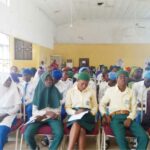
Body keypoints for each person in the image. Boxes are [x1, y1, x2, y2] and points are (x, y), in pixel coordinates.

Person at [100, 70, 149, 150]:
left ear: (128, 80)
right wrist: (105, 115)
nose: (123, 79)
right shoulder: (110, 91)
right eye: (120, 77)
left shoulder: (131, 92)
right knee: (120, 139)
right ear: (117, 79)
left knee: (144, 137)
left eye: (125, 77)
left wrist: (129, 118)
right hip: (115, 118)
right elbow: (102, 104)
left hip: (128, 117)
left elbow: (134, 108)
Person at [24, 72, 63, 150]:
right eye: (46, 80)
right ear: (42, 81)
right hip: (39, 117)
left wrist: (56, 114)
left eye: (50, 79)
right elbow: (34, 111)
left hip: (53, 117)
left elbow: (59, 108)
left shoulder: (56, 91)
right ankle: (35, 147)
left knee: (59, 134)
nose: (49, 81)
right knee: (27, 134)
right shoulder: (37, 92)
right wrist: (46, 113)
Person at [65, 72, 98, 150]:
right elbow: (67, 107)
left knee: (77, 123)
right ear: (78, 80)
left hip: (87, 115)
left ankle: (70, 148)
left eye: (86, 84)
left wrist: (91, 112)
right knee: (81, 129)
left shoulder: (91, 91)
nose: (84, 86)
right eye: (82, 84)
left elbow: (95, 107)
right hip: (74, 114)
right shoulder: (70, 91)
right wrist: (75, 112)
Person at [0, 73, 21, 150]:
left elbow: (17, 108)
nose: (8, 82)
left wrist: (5, 114)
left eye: (9, 80)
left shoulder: (14, 91)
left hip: (10, 114)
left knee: (1, 131)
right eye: (6, 80)